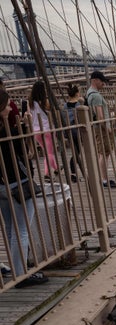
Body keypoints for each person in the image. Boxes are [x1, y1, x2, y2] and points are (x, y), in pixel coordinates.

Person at [0, 90, 47, 287]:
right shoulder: (9, 131)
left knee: (11, 230)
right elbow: (27, 153)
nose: (10, 108)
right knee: (22, 230)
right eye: (7, 105)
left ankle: (15, 269)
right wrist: (26, 128)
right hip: (17, 183)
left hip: (1, 186)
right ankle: (21, 274)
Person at [86, 71, 116, 187]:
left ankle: (103, 178)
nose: (104, 83)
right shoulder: (96, 95)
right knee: (104, 153)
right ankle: (104, 179)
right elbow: (100, 115)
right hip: (101, 128)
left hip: (97, 127)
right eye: (102, 81)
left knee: (101, 153)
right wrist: (107, 127)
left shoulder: (89, 94)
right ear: (95, 80)